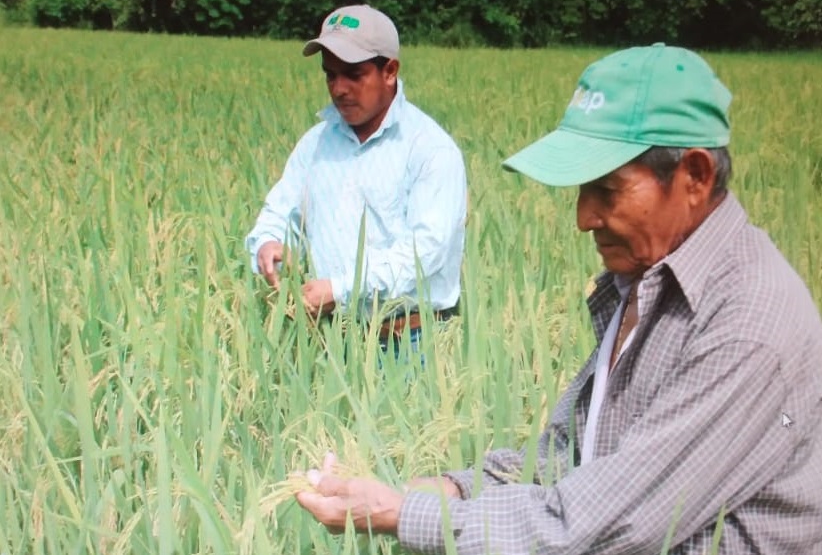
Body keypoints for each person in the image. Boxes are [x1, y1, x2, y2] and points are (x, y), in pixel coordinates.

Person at [294, 44, 822, 553]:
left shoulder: (747, 326)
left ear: (695, 177)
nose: (583, 218)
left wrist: (400, 515)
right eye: (581, 190)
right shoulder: (647, 280)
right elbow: (571, 453)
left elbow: (603, 523)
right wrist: (447, 489)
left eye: (608, 191)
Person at [245, 5, 467, 348]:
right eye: (330, 75)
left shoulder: (430, 150)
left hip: (410, 343)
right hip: (331, 338)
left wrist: (340, 289)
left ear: (389, 71)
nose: (339, 89)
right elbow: (280, 213)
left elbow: (424, 254)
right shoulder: (315, 145)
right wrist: (271, 244)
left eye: (353, 74)